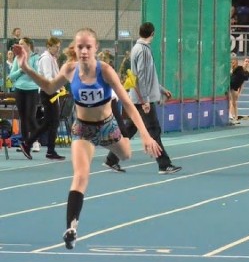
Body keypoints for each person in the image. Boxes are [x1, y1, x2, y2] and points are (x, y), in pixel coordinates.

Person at [12, 28, 161, 249]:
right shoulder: (69, 69)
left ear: (95, 48)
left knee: (126, 154)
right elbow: (49, 87)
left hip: (107, 127)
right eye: (80, 47)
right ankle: (71, 228)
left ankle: (123, 143)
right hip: (82, 129)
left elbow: (128, 104)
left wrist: (147, 136)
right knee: (81, 175)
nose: (83, 51)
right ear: (75, 48)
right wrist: (24, 66)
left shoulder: (106, 71)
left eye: (88, 47)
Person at [103, 22, 181, 174]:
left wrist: (162, 90)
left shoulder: (136, 49)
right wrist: (145, 100)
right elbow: (143, 77)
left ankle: (111, 159)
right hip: (142, 99)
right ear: (152, 33)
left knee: (130, 129)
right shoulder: (143, 51)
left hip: (139, 97)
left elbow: (148, 77)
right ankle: (164, 164)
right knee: (153, 130)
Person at [20, 37, 65, 160]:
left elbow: (56, 75)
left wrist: (61, 85)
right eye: (56, 46)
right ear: (49, 46)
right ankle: (30, 144)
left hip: (52, 92)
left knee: (49, 123)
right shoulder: (46, 59)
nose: (58, 49)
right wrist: (57, 85)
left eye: (59, 47)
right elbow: (48, 76)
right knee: (52, 122)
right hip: (48, 93)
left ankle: (37, 146)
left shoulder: (52, 58)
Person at [9, 37, 42, 155]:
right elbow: (11, 76)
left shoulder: (35, 58)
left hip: (32, 89)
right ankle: (24, 142)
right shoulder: (17, 58)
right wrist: (20, 71)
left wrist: (26, 68)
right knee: (23, 117)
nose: (20, 46)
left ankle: (35, 142)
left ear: (28, 45)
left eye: (22, 44)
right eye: (19, 44)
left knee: (31, 116)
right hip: (19, 89)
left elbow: (37, 73)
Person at [229, 56, 249, 123]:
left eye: (248, 62)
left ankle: (235, 117)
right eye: (245, 61)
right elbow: (232, 72)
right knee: (230, 101)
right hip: (230, 84)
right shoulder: (239, 68)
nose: (246, 63)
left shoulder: (248, 72)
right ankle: (230, 115)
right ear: (243, 62)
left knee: (234, 103)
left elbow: (242, 82)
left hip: (235, 87)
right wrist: (231, 67)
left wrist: (239, 92)